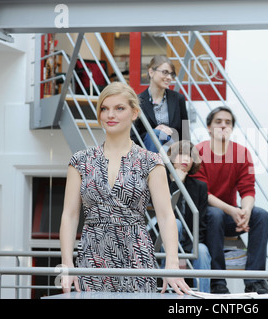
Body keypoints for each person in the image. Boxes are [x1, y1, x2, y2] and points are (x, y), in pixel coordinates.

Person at [59, 81, 191, 295]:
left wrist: (172, 264)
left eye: (119, 108)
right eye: (105, 108)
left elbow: (166, 216)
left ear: (134, 113)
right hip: (92, 255)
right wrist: (66, 264)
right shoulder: (80, 160)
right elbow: (70, 215)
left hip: (137, 254)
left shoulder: (151, 161)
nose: (111, 114)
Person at [192, 106, 268, 294]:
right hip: (205, 217)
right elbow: (204, 194)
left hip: (228, 214)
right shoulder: (198, 151)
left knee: (261, 215)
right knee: (215, 213)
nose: (223, 126)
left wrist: (245, 212)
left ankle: (255, 280)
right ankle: (217, 281)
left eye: (228, 123)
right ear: (209, 127)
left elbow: (248, 189)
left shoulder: (242, 153)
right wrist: (233, 210)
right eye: (218, 122)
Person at [165, 140, 211, 293]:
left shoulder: (200, 187)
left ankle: (204, 295)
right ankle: (170, 293)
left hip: (189, 242)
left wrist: (186, 253)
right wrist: (176, 183)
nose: (185, 159)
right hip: (164, 240)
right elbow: (166, 211)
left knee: (203, 250)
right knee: (176, 223)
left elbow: (201, 226)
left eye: (189, 156)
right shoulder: (161, 180)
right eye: (181, 154)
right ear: (171, 157)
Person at [131, 55, 189, 153]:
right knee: (154, 135)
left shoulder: (178, 99)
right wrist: (155, 132)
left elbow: (185, 134)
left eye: (172, 74)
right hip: (147, 152)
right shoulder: (137, 101)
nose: (169, 78)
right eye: (165, 72)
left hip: (173, 152)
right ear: (151, 72)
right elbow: (133, 137)